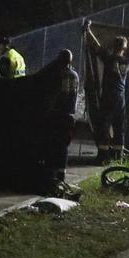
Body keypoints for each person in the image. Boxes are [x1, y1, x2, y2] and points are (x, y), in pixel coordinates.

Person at [84, 20, 129, 163]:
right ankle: (118, 156)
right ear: (124, 47)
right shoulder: (127, 61)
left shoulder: (108, 58)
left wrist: (88, 29)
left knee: (104, 125)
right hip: (120, 98)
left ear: (114, 46)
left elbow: (95, 45)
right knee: (119, 126)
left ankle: (103, 157)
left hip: (108, 97)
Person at [42, 49, 80, 194]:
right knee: (64, 144)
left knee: (52, 143)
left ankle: (51, 174)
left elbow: (52, 95)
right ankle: (61, 174)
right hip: (70, 115)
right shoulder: (75, 75)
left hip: (57, 114)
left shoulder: (57, 74)